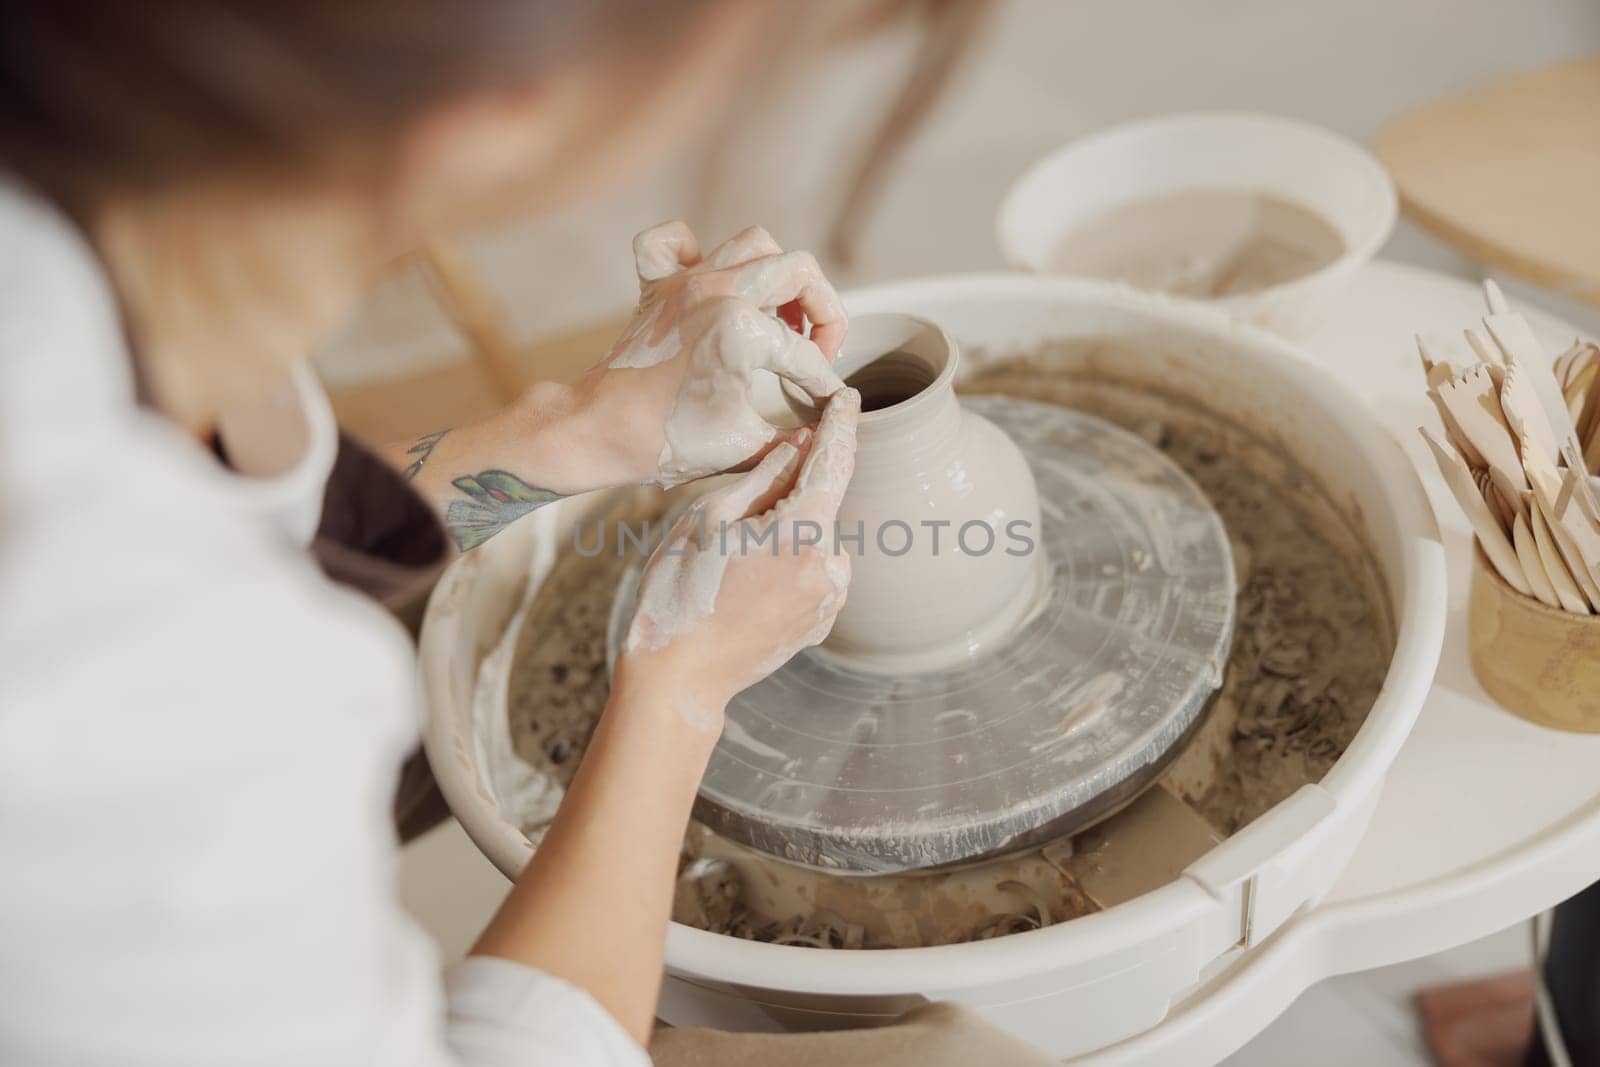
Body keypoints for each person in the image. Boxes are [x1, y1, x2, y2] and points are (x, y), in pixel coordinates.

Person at [0, 1, 860, 1064]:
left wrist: (582, 431)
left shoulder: (84, 195)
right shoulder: (108, 669)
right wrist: (679, 685)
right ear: (505, 115)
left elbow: (281, 538)